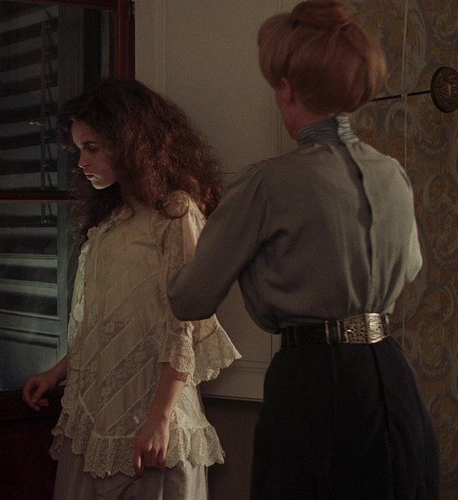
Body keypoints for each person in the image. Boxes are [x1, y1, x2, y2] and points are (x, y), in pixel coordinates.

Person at [166, 1, 440, 498]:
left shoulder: (267, 184)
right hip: (391, 377)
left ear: (287, 89)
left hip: (313, 383)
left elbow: (190, 298)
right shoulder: (392, 174)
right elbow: (410, 269)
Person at [21, 78, 240, 499]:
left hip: (152, 416)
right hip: (95, 416)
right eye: (78, 149)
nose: (81, 161)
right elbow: (108, 321)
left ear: (130, 143)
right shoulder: (111, 221)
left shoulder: (176, 212)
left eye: (92, 147)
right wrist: (56, 372)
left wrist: (161, 418)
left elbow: (183, 326)